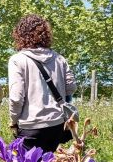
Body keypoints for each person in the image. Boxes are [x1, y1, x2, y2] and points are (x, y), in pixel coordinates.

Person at [8, 14, 76, 153]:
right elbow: (71, 87)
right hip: (57, 124)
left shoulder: (17, 60)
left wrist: (14, 121)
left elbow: (16, 97)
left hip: (30, 126)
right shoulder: (59, 58)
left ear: (20, 35)